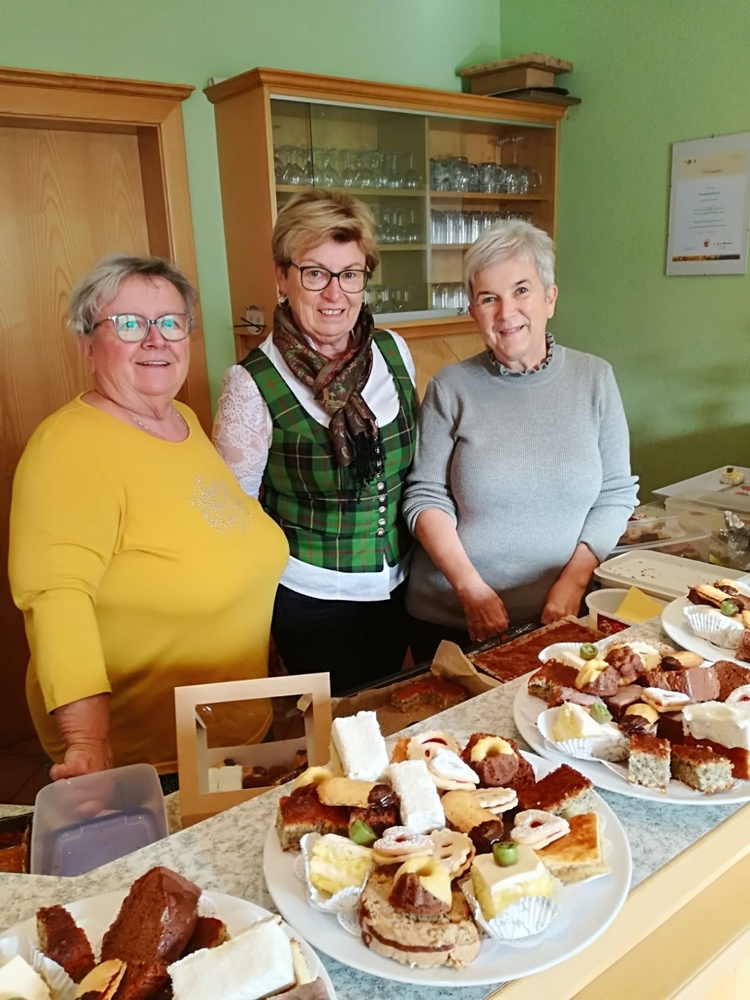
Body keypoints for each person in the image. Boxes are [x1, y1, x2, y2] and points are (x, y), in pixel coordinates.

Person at [8, 254, 289, 783]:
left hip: (235, 728)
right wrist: (87, 742)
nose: (156, 339)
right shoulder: (68, 446)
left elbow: (221, 535)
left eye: (170, 323)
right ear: (88, 346)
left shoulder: (181, 420)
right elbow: (56, 600)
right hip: (150, 759)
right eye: (129, 324)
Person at [403, 219, 638, 662]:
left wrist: (574, 580)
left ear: (550, 298)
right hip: (451, 616)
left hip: (559, 614)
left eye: (521, 291)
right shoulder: (450, 388)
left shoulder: (595, 379)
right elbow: (425, 497)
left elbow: (615, 494)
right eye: (488, 298)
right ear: (473, 311)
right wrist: (471, 590)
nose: (506, 312)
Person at [213, 189, 417, 695]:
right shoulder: (252, 382)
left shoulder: (393, 351)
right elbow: (234, 517)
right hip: (311, 598)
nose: (335, 293)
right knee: (339, 730)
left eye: (350, 274)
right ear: (282, 278)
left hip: (399, 585)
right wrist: (252, 618)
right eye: (315, 274)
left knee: (392, 716)